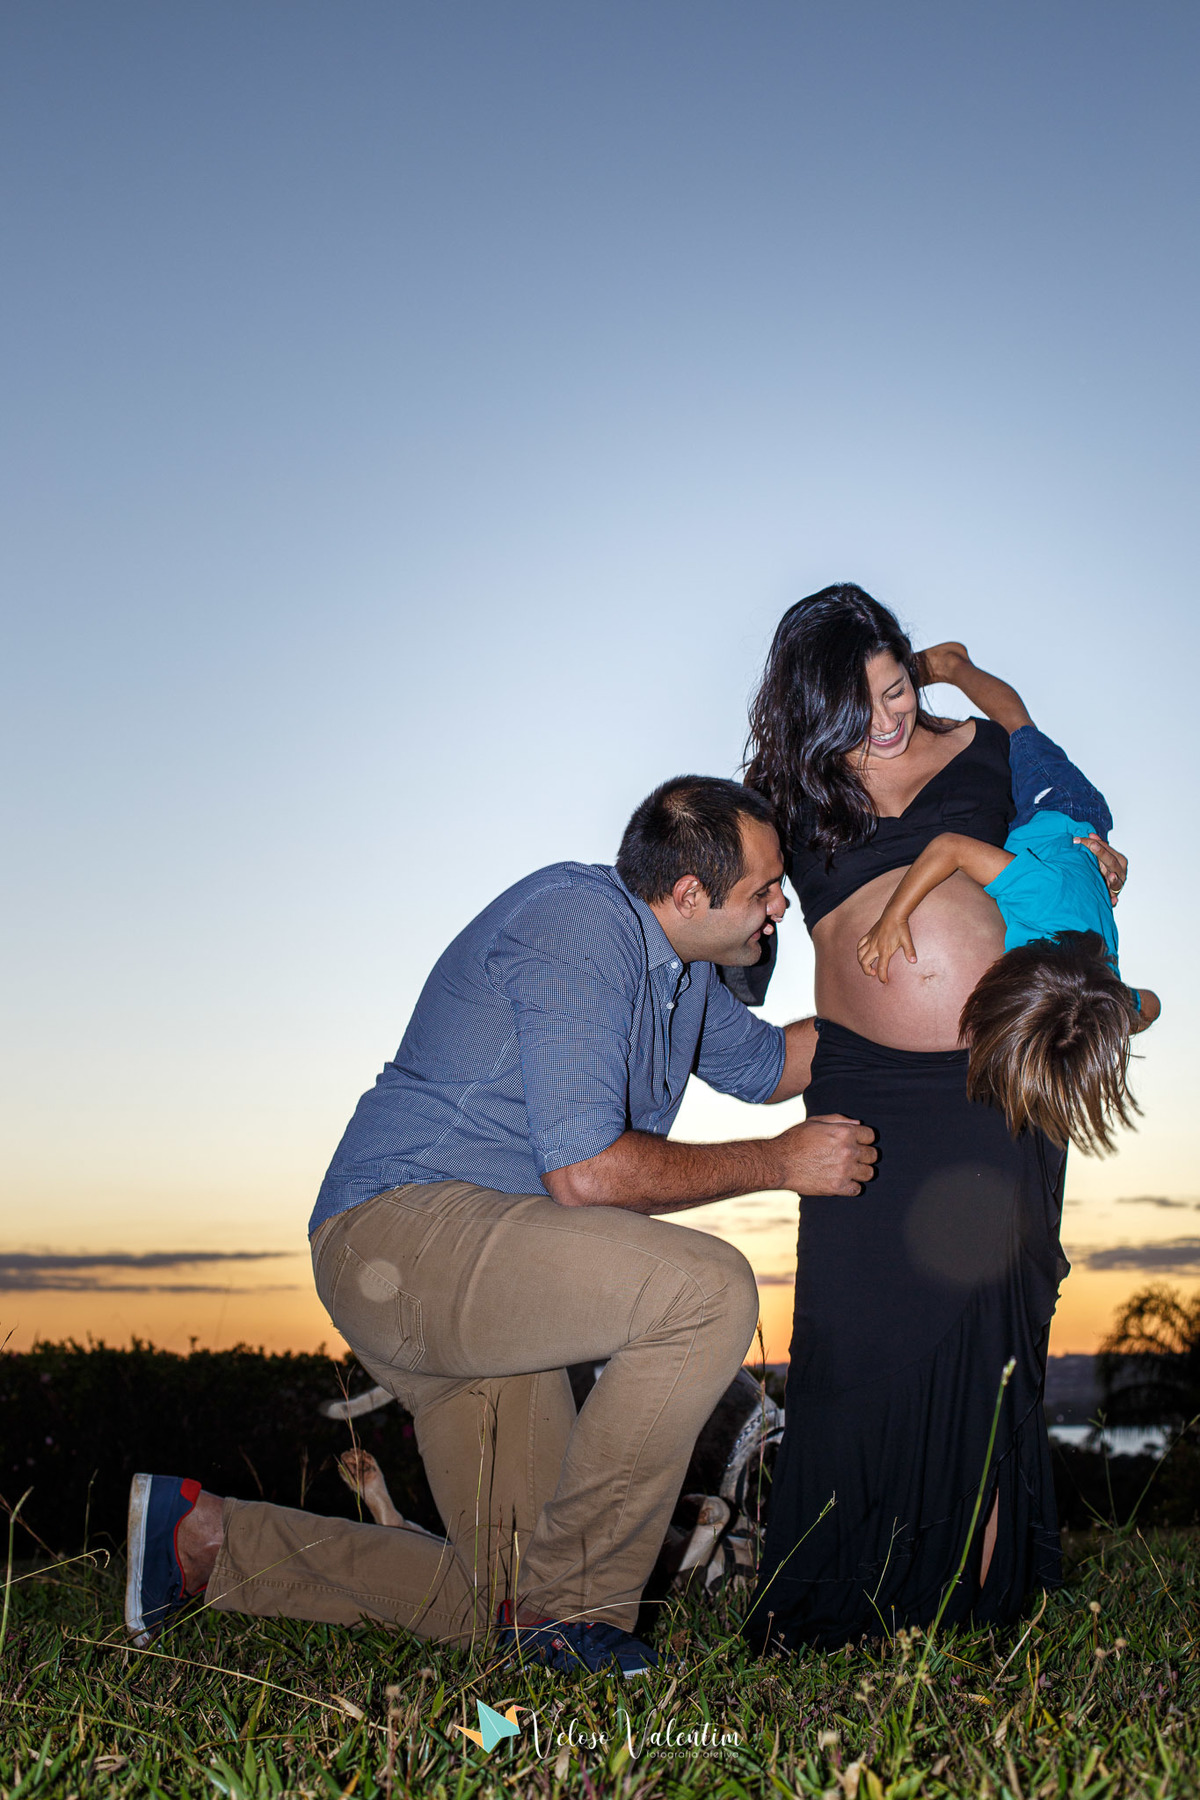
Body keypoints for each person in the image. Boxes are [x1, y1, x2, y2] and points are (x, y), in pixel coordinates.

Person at [124, 775, 877, 1676]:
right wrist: (780, 1164)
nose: (779, 904)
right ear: (687, 895)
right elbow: (588, 1171)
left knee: (502, 1598)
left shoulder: (684, 976)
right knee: (705, 1292)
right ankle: (571, 1620)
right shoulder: (578, 923)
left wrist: (922, 1005)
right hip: (404, 1234)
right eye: (763, 889)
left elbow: (772, 1064)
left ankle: (201, 1543)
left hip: (490, 1298)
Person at [740, 585, 1127, 1651]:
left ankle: (978, 1600)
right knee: (855, 1338)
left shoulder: (985, 752)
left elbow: (1063, 860)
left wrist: (1104, 865)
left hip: (1000, 1084)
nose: (890, 717)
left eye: (896, 685)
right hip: (867, 1087)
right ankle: (840, 1597)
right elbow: (736, 931)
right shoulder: (783, 796)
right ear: (810, 711)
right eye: (859, 705)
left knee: (986, 1333)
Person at [857, 644, 1159, 1154]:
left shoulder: (1102, 995)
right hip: (1057, 804)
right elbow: (949, 848)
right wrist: (894, 915)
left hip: (1056, 852)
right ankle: (954, 665)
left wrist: (1118, 1020)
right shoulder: (1039, 902)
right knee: (1019, 729)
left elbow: (1149, 1006)